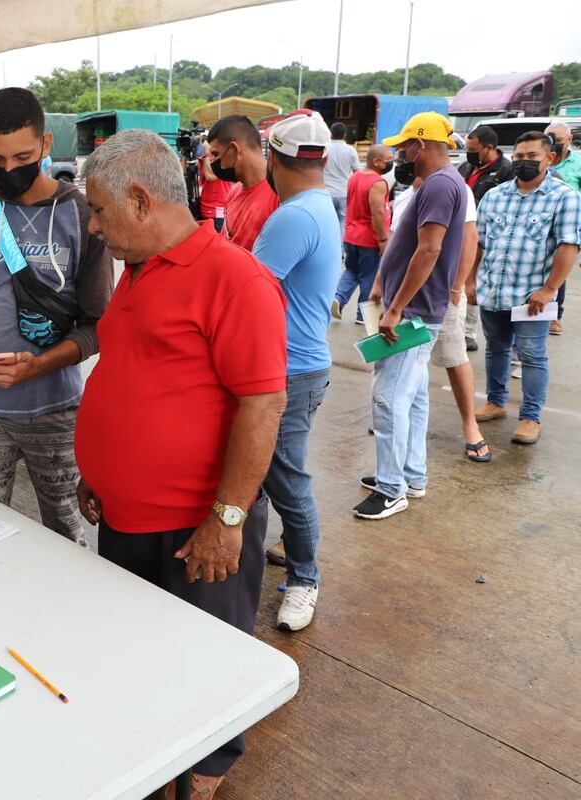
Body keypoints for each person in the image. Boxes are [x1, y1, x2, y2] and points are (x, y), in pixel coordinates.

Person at [75, 129, 287, 798]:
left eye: (100, 209)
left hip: (195, 527)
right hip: (128, 518)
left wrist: (227, 520)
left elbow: (262, 406)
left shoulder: (234, 277)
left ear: (140, 200)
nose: (93, 224)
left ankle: (206, 771)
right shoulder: (136, 270)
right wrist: (99, 469)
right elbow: (131, 374)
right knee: (144, 657)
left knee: (207, 661)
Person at [0, 87, 112, 547]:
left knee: (68, 531)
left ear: (47, 145)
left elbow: (98, 326)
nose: (9, 169)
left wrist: (39, 366)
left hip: (57, 411)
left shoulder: (81, 214)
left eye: (23, 156)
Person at [250, 109, 340, 632]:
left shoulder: (294, 216)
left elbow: (249, 291)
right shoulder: (318, 205)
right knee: (273, 473)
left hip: (289, 370)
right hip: (301, 364)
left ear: (273, 158)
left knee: (286, 479)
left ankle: (305, 581)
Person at [355, 113, 468, 520]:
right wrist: (384, 281)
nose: (400, 154)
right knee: (413, 396)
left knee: (388, 397)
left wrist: (398, 307)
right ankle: (410, 475)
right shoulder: (441, 183)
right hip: (416, 306)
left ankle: (391, 489)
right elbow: (409, 245)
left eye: (405, 147)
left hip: (415, 313)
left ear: (422, 145)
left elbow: (429, 250)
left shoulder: (439, 185)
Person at [473, 131, 581, 447]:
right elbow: (478, 243)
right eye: (519, 156)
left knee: (532, 355)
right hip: (494, 289)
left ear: (550, 158)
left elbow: (568, 247)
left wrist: (549, 290)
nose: (523, 162)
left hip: (533, 297)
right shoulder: (495, 195)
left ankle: (530, 417)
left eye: (532, 157)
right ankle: (496, 401)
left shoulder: (565, 197)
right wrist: (469, 280)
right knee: (495, 349)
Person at [392, 174, 489, 463]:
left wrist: (458, 285)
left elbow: (470, 238)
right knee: (403, 359)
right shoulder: (403, 197)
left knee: (453, 356)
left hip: (440, 293)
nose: (403, 159)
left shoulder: (453, 189)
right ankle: (397, 420)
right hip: (403, 293)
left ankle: (470, 424)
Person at [459, 125, 515, 350]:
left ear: (489, 148)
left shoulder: (506, 172)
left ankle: (468, 333)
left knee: (473, 284)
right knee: (459, 281)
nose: (469, 153)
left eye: (473, 149)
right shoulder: (466, 167)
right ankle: (458, 328)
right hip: (460, 232)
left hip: (486, 238)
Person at [334, 145, 393, 324]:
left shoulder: (355, 177)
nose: (392, 163)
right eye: (389, 160)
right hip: (369, 238)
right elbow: (377, 213)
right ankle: (363, 315)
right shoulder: (377, 183)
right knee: (369, 276)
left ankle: (338, 298)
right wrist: (383, 238)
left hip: (351, 235)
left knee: (352, 270)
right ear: (376, 162)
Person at [206, 114, 279, 250]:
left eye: (216, 154)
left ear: (234, 149)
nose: (213, 162)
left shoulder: (278, 196)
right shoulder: (234, 192)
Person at [546, 122, 579, 335]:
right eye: (549, 138)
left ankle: (555, 315)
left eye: (558, 140)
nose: (554, 143)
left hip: (569, 223)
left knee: (560, 270)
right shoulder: (539, 158)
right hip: (541, 221)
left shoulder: (578, 163)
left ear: (569, 141)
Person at [324, 121, 361, 236]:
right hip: (343, 192)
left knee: (327, 222)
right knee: (342, 220)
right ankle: (340, 250)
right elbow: (357, 173)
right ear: (345, 134)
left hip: (326, 192)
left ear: (330, 134)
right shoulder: (350, 150)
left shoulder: (325, 149)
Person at [196, 148, 232, 232]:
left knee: (218, 240)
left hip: (217, 210)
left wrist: (205, 154)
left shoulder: (225, 157)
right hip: (205, 208)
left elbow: (210, 176)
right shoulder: (206, 157)